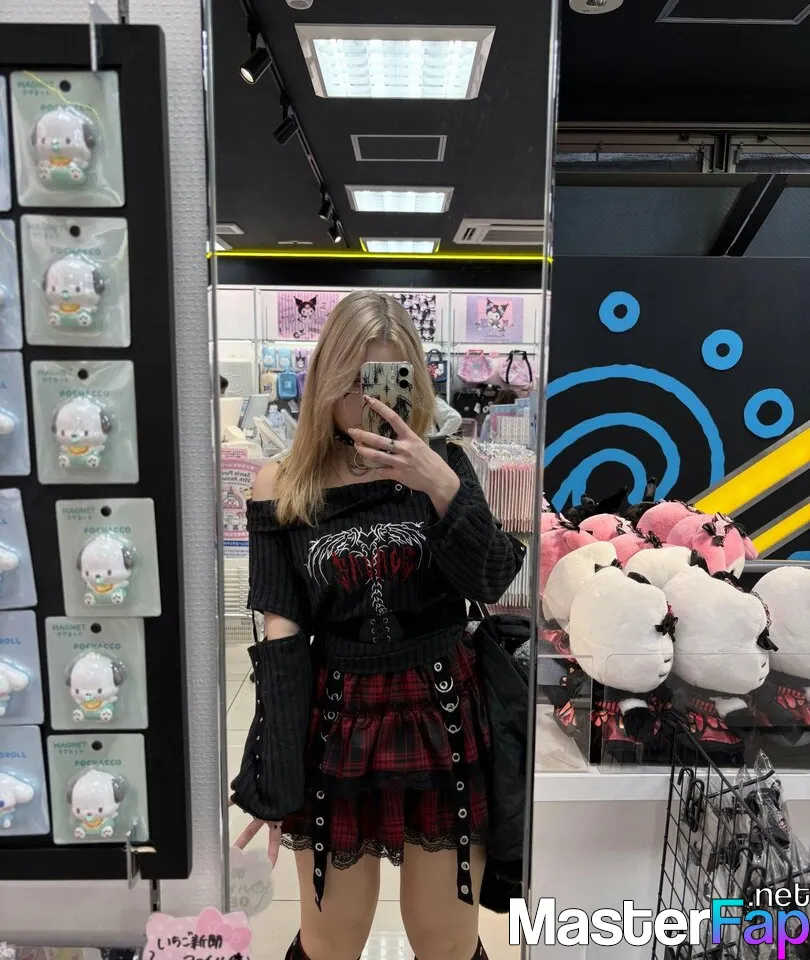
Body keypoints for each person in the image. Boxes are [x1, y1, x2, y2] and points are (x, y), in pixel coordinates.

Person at [230, 291, 524, 960]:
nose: (369, 401)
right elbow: (281, 634)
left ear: (413, 381)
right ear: (324, 382)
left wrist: (441, 486)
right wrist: (273, 775)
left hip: (442, 710)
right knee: (329, 942)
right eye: (352, 382)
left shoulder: (443, 466)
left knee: (447, 942)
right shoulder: (284, 483)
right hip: (338, 717)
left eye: (386, 380)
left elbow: (492, 582)